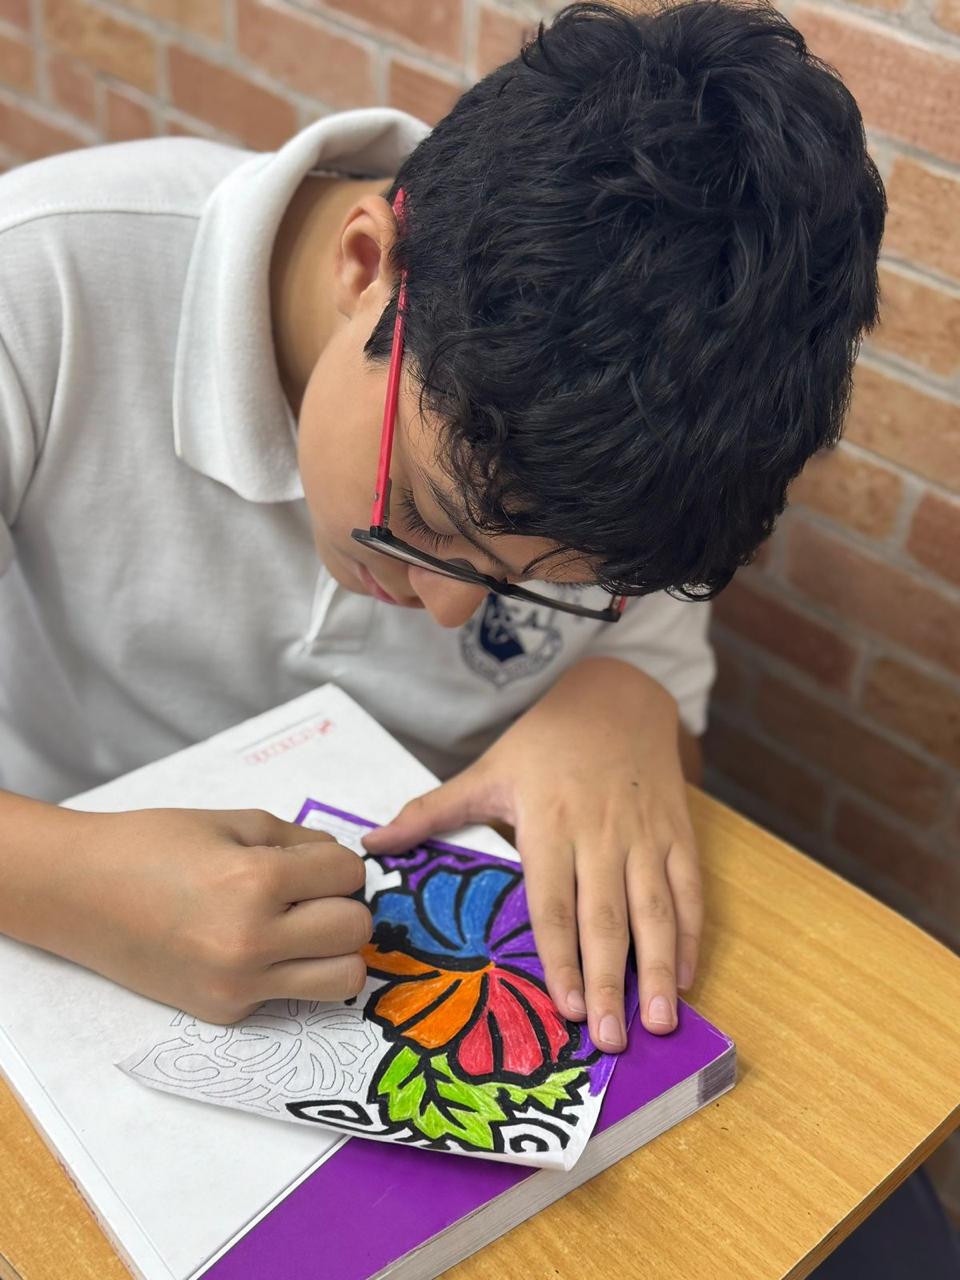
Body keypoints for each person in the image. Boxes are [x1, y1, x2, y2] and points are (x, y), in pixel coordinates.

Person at [0, 2, 884, 1059]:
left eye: (537, 585)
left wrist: (621, 701)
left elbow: (658, 734)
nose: (450, 607)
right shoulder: (41, 285)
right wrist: (67, 880)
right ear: (365, 265)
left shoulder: (640, 447)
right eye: (423, 514)